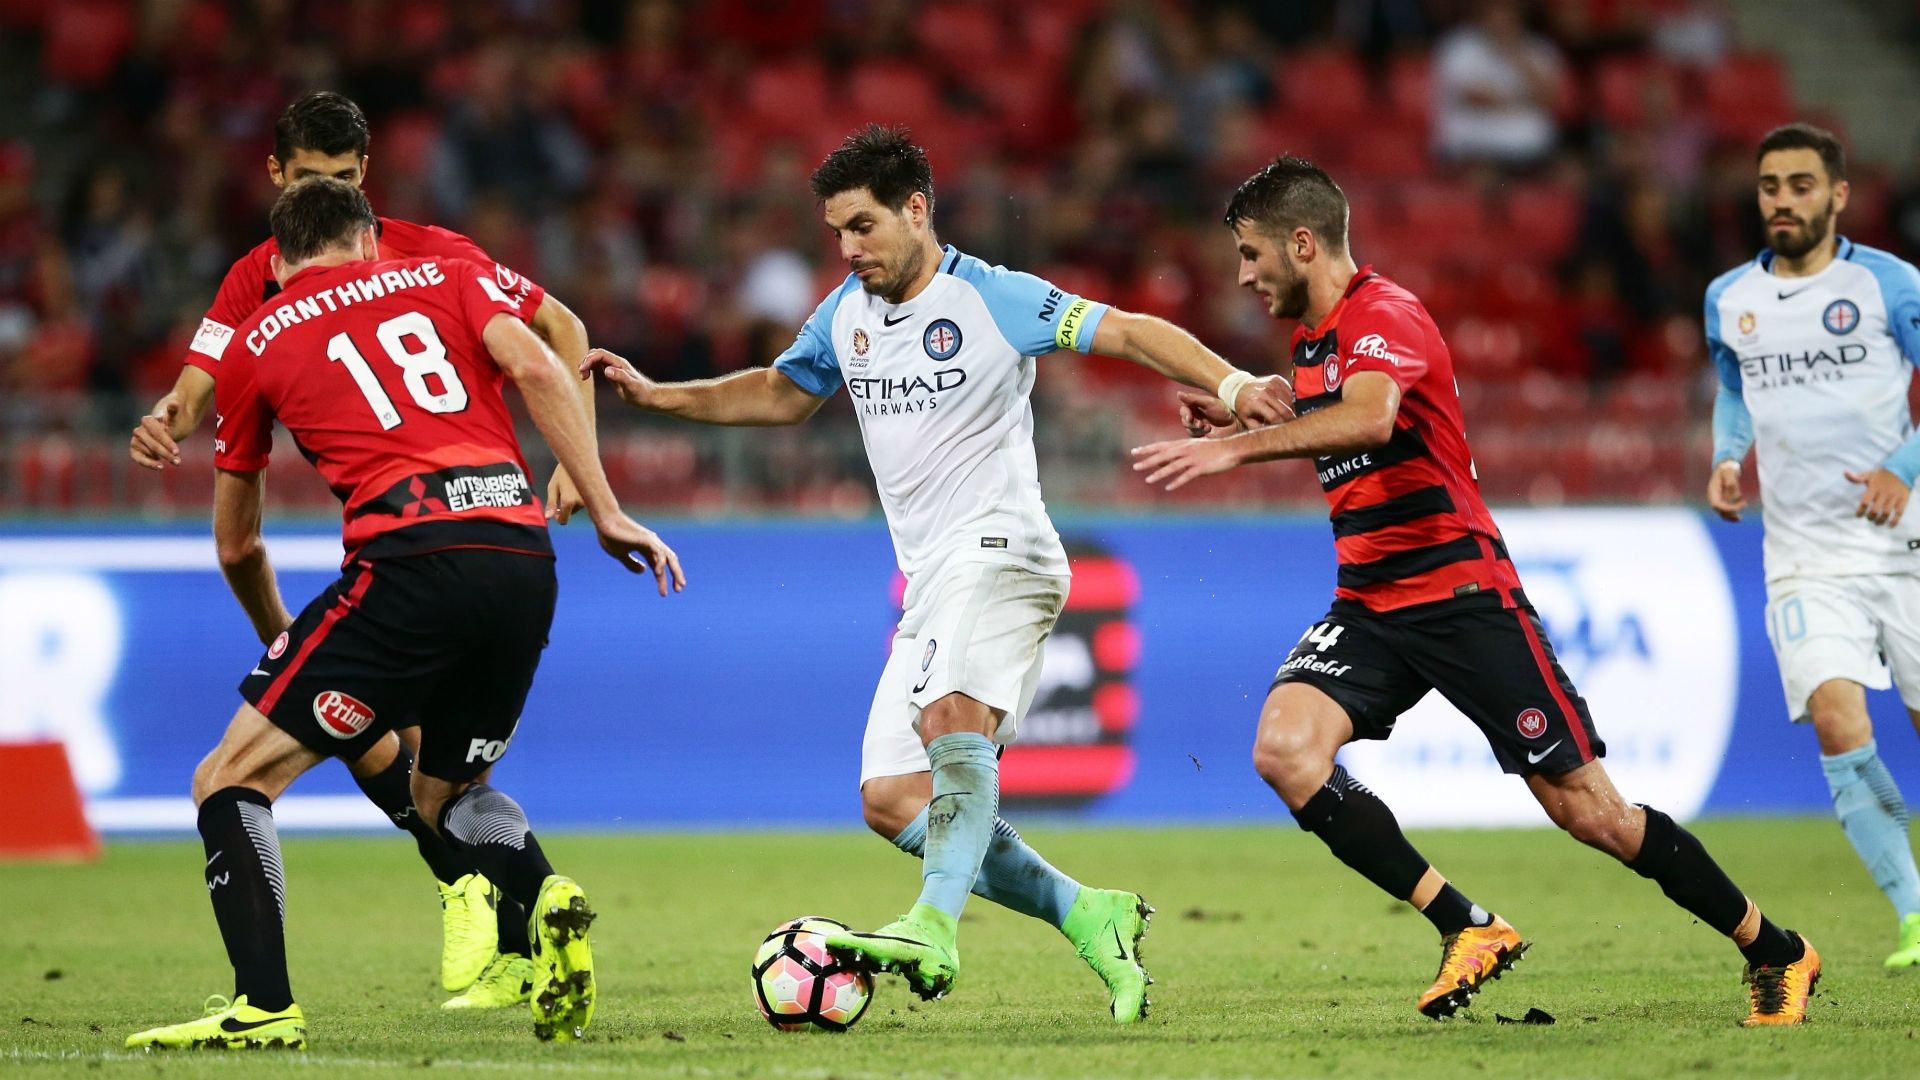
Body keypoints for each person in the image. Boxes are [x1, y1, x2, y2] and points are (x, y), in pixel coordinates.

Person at [582, 125, 1288, 1022]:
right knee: (890, 798)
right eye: (838, 232)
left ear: (916, 210)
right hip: (933, 578)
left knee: (951, 716)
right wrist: (656, 396)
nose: (849, 248)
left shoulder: (991, 297)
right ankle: (1087, 912)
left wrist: (1233, 387)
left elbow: (1129, 330)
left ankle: (932, 928)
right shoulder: (845, 314)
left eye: (864, 226)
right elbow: (780, 392)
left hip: (1004, 547)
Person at [1131, 155, 1818, 1026]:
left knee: (1593, 814)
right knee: (1286, 750)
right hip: (1370, 604)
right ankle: (1467, 925)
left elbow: (1371, 416)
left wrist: (1232, 450)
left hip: (1462, 597)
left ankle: (1776, 949)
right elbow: (1339, 417)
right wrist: (1240, 412)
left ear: (1303, 244)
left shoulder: (1384, 313)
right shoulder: (1312, 346)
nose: (1242, 275)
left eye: (1251, 253)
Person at [123, 178, 681, 1050]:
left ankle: (263, 1007)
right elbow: (542, 363)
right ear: (367, 238)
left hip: (408, 562)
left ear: (280, 261)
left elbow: (237, 545)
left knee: (228, 780)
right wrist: (605, 509)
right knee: (443, 793)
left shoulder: (257, 338)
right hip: (521, 560)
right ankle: (545, 895)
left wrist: (285, 646)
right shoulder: (449, 275)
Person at [1705, 122, 1920, 971]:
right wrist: (1728, 458)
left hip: (1901, 539)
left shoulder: (1889, 284)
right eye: (1770, 187)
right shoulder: (1730, 297)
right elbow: (1733, 388)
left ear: (1838, 195)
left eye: (1800, 185)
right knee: (1838, 721)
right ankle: (1914, 916)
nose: (1783, 201)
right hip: (1801, 555)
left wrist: (1901, 468)